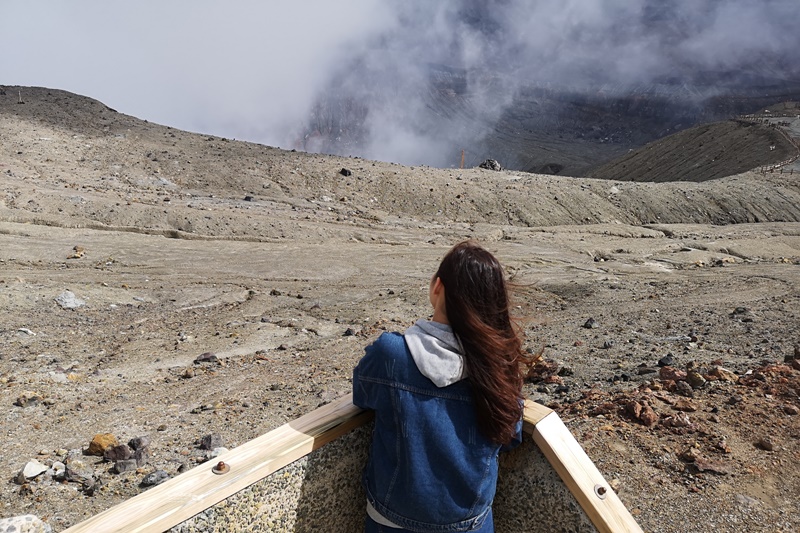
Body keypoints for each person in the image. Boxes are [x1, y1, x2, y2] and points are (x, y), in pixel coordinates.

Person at [352, 241, 530, 533]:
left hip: (391, 520)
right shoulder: (498, 366)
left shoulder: (391, 354)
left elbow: (363, 396)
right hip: (470, 524)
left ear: (437, 286)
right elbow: (511, 436)